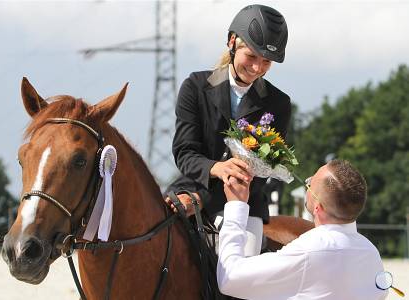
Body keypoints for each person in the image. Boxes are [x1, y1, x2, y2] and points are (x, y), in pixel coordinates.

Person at [165, 4, 291, 255]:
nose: (257, 68)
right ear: (232, 42)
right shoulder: (195, 87)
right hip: (188, 192)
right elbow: (185, 152)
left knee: (239, 276)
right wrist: (215, 169)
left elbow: (262, 175)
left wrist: (205, 200)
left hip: (245, 204)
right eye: (252, 56)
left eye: (266, 61)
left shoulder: (279, 103)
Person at [217, 159, 388, 300]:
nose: (307, 184)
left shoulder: (307, 250)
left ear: (317, 208)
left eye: (310, 184)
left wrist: (236, 205)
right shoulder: (371, 253)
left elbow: (229, 278)